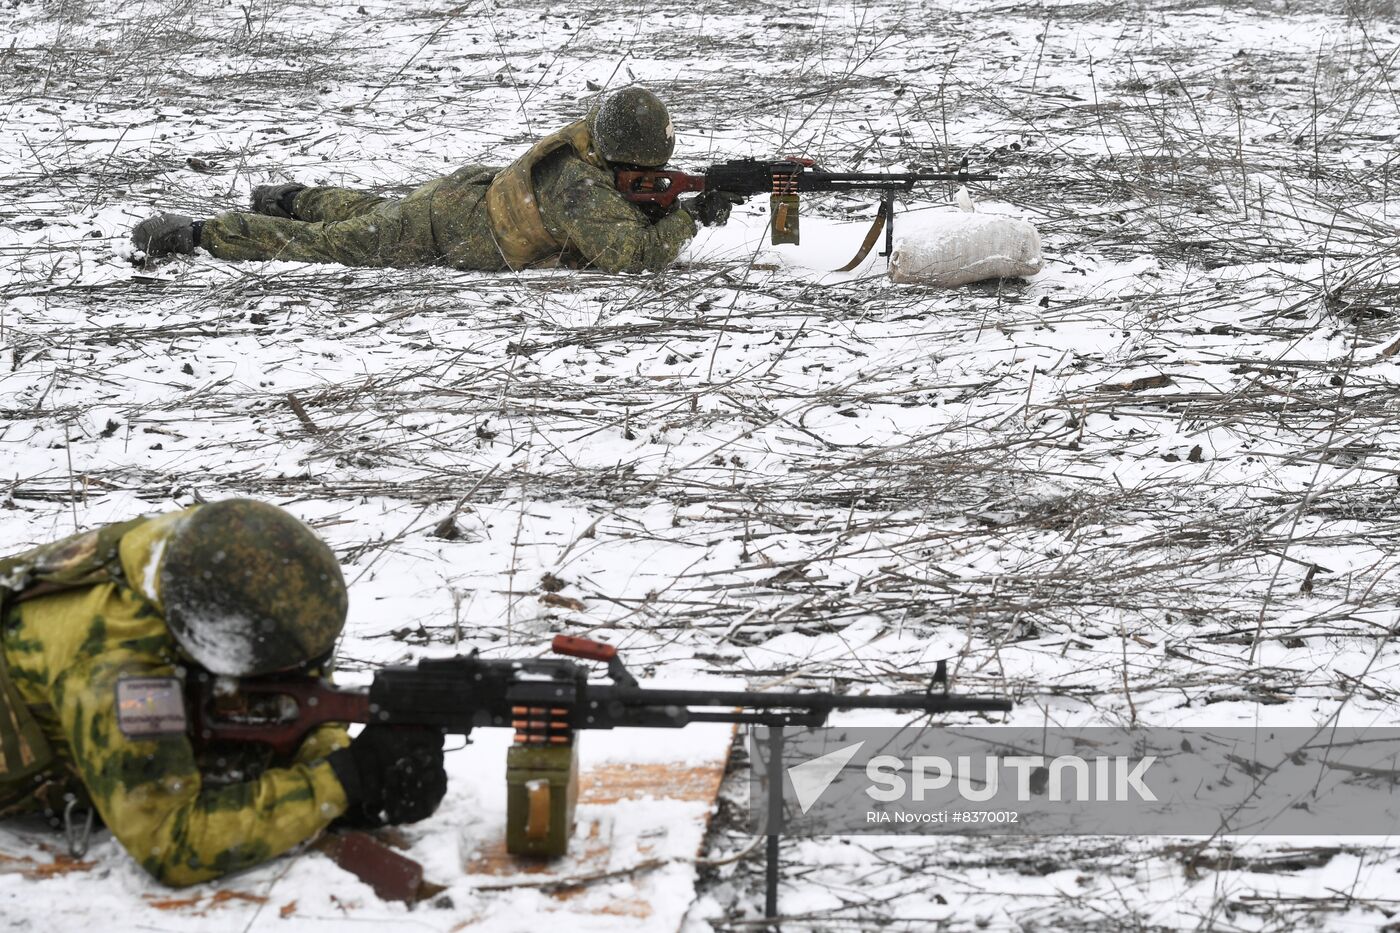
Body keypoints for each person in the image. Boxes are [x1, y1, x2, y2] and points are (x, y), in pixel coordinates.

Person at [0, 499, 446, 886]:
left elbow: (299, 693)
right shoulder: (118, 666)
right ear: (217, 646)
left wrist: (336, 763)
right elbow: (172, 843)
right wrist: (341, 780)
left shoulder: (219, 554)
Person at [130, 87, 738, 274]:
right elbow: (631, 258)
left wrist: (672, 201)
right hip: (442, 230)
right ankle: (201, 233)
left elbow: (622, 210)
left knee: (366, 210)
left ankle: (288, 196)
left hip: (460, 197)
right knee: (334, 244)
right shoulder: (582, 189)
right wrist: (690, 216)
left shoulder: (590, 151)